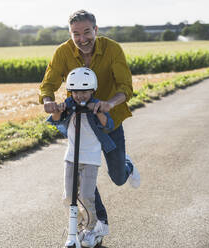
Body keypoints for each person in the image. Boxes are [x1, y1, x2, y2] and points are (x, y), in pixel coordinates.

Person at [39, 9, 140, 239]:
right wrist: (48, 101)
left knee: (117, 177)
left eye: (87, 32)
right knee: (83, 173)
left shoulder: (112, 49)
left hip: (108, 120)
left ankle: (127, 166)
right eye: (76, 34)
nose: (82, 38)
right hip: (81, 121)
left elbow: (126, 87)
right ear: (70, 34)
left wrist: (108, 103)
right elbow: (48, 83)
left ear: (96, 29)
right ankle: (98, 224)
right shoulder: (62, 52)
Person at [47, 67, 115, 247]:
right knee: (69, 196)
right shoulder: (68, 105)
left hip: (90, 159)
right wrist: (57, 108)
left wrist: (98, 110)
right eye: (75, 91)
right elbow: (56, 119)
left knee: (86, 196)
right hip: (71, 157)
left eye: (84, 91)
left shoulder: (97, 104)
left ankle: (92, 228)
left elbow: (108, 124)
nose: (80, 96)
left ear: (92, 90)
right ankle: (76, 229)